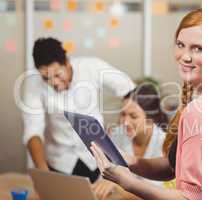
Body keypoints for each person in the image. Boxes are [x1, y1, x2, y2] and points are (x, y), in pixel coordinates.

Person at [90, 8, 202, 200]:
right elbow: (173, 167)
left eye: (198, 48)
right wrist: (132, 161)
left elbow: (191, 198)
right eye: (181, 45)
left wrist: (128, 183)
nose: (185, 56)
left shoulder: (201, 113)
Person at [21, 37, 135, 184]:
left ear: (67, 63)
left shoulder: (91, 66)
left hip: (97, 160)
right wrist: (43, 174)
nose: (53, 82)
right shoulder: (33, 83)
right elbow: (33, 130)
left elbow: (129, 89)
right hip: (59, 162)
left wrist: (121, 125)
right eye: (45, 78)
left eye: (57, 75)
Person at [92, 83, 169, 199]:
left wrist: (117, 186)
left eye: (133, 116)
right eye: (123, 114)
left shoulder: (164, 144)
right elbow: (103, 177)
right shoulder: (118, 134)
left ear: (150, 119)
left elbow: (155, 194)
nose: (125, 122)